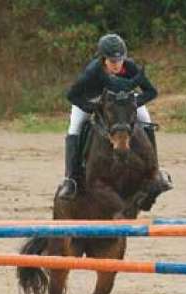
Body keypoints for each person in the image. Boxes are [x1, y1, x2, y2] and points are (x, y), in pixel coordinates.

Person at [58, 33, 167, 200]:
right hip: (90, 99)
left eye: (120, 60)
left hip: (124, 102)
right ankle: (71, 179)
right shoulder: (92, 71)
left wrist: (133, 105)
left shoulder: (130, 67)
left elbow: (151, 92)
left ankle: (155, 171)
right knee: (75, 129)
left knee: (146, 121)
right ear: (103, 59)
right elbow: (72, 95)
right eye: (112, 61)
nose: (117, 65)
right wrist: (91, 107)